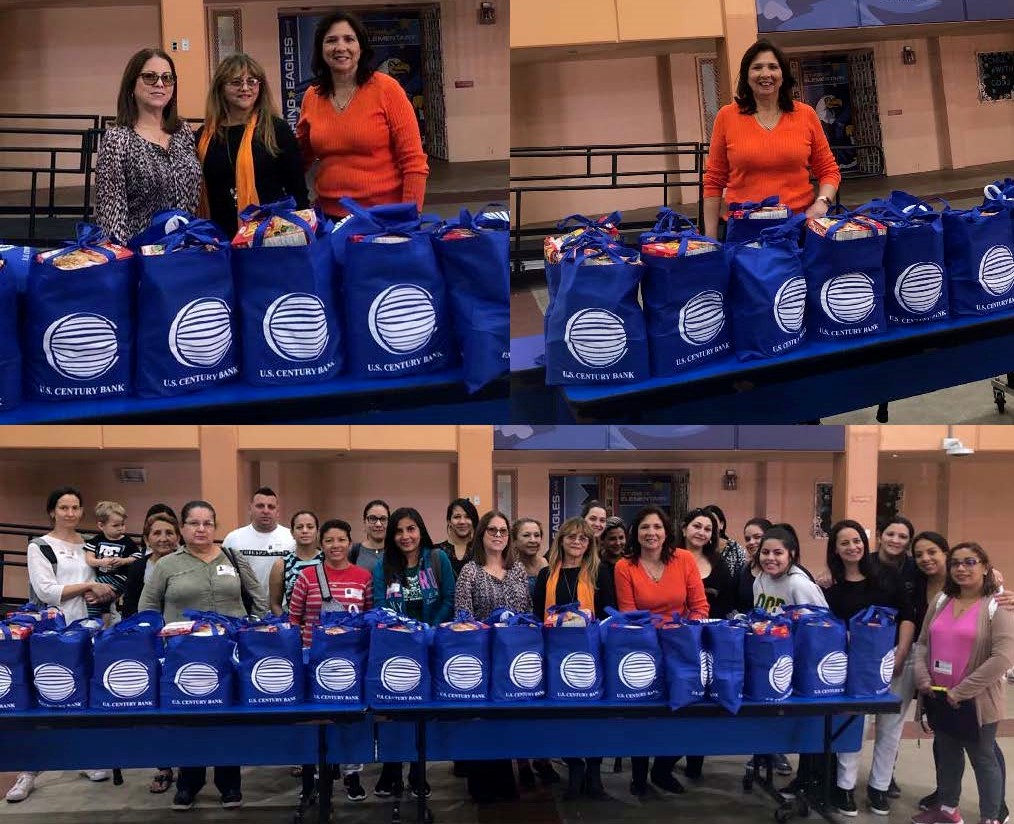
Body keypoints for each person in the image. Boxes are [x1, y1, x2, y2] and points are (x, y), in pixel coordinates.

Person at [139, 500, 267, 810]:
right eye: (194, 523)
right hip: (184, 658)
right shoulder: (166, 564)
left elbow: (258, 599)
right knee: (190, 719)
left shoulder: (232, 558)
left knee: (228, 719)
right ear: (182, 528)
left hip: (229, 655)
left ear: (215, 526)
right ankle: (188, 784)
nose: (201, 529)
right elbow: (147, 608)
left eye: (207, 523)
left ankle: (229, 785)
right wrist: (157, 645)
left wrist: (254, 632)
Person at [6, 487, 118, 803]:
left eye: (75, 507)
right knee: (45, 695)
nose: (70, 513)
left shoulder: (90, 545)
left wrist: (103, 592)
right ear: (52, 511)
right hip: (51, 635)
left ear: (82, 512)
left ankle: (83, 758)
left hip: (89, 630)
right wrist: (88, 585)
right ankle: (28, 770)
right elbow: (46, 591)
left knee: (82, 694)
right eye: (63, 507)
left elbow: (103, 584)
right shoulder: (39, 546)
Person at [911, 533, 1011, 822]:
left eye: (970, 562)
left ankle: (991, 816)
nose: (961, 568)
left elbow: (1002, 657)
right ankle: (947, 810)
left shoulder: (998, 604)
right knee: (947, 754)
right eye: (955, 563)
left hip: (976, 700)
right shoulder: (942, 599)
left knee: (983, 758)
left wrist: (963, 691)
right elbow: (923, 643)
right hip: (939, 694)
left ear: (985, 567)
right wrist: (922, 678)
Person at [821, 519, 916, 818]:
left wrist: (900, 654)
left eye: (857, 540)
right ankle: (845, 787)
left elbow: (907, 616)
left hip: (892, 663)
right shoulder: (831, 587)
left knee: (890, 729)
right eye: (845, 543)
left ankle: (879, 787)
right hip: (854, 668)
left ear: (865, 542)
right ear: (835, 549)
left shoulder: (887, 577)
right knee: (853, 727)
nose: (853, 547)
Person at [702, 39, 840, 239]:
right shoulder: (727, 116)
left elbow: (829, 170)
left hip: (798, 228)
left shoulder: (806, 114)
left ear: (783, 75)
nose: (765, 74)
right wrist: (711, 239)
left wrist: (822, 203)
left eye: (773, 67)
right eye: (757, 67)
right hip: (744, 231)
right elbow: (714, 180)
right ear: (746, 75)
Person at [296, 10, 429, 218]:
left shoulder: (387, 89)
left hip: (383, 219)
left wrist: (408, 217)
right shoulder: (312, 97)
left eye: (349, 39)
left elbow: (414, 163)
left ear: (361, 47)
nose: (341, 47)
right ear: (321, 49)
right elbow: (299, 158)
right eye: (331, 40)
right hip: (329, 218)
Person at [614, 505, 708, 797]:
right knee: (642, 715)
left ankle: (663, 769)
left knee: (684, 712)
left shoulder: (684, 559)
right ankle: (639, 777)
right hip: (642, 648)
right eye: (644, 527)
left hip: (681, 646)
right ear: (635, 533)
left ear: (667, 532)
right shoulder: (624, 566)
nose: (651, 533)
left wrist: (682, 634)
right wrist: (656, 637)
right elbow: (629, 614)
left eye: (657, 527)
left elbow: (700, 607)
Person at [372, 507, 455, 799]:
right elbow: (380, 603)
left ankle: (419, 772)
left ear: (420, 530)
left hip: (430, 646)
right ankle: (391, 770)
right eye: (399, 531)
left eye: (411, 529)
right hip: (396, 647)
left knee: (422, 711)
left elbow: (449, 599)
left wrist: (428, 630)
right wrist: (404, 632)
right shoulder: (384, 564)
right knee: (394, 710)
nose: (405, 536)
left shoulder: (437, 558)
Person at [288, 518, 372, 806]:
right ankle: (310, 778)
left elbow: (369, 617)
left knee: (349, 721)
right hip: (313, 659)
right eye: (329, 540)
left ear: (350, 542)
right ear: (320, 544)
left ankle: (352, 774)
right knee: (313, 720)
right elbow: (293, 619)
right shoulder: (307, 577)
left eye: (341, 539)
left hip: (351, 661)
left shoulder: (363, 576)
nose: (335, 545)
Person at [533, 517, 616, 800]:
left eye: (583, 538)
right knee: (563, 715)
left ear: (590, 543)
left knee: (594, 716)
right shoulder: (547, 575)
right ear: (561, 540)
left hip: (592, 656)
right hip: (555, 655)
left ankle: (594, 772)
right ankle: (575, 765)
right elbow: (536, 614)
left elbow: (609, 613)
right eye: (571, 537)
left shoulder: (600, 572)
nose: (577, 542)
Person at [453, 510, 530, 804]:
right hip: (480, 657)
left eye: (503, 531)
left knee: (507, 721)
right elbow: (461, 617)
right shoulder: (469, 571)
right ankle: (481, 782)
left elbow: (527, 612)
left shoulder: (518, 570)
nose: (498, 535)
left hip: (513, 657)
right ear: (481, 534)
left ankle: (506, 779)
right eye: (492, 530)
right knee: (482, 721)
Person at [197, 53, 309, 239]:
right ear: (220, 88)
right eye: (236, 82)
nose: (245, 88)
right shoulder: (204, 136)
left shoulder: (276, 130)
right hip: (215, 238)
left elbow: (297, 190)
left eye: (252, 81)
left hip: (266, 237)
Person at [95, 48, 200, 244]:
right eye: (150, 77)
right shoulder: (118, 139)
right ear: (131, 85)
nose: (160, 83)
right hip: (141, 255)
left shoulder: (182, 132)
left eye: (167, 78)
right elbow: (111, 216)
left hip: (184, 251)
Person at [119, 511, 182, 795]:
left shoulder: (185, 564)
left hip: (183, 645)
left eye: (169, 532)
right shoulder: (137, 568)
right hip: (149, 646)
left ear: (178, 537)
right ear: (146, 538)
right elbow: (130, 609)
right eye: (156, 533)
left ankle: (192, 766)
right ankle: (164, 767)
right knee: (159, 711)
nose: (163, 538)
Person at [674, 507, 736, 780]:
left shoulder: (719, 564)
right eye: (697, 526)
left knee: (702, 705)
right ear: (685, 528)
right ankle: (664, 762)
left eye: (708, 529)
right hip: (677, 639)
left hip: (711, 641)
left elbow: (727, 603)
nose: (701, 532)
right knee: (680, 700)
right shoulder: (670, 558)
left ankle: (695, 764)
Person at [508, 517, 559, 790]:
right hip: (517, 643)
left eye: (537, 534)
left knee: (542, 707)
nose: (533, 540)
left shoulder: (549, 567)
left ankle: (543, 758)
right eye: (526, 535)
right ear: (515, 540)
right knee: (520, 704)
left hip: (545, 641)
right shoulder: (510, 569)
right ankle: (522, 762)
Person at [222, 487, 295, 594]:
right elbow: (224, 576)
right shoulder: (233, 539)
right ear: (250, 509)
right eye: (260, 506)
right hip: (246, 608)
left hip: (283, 608)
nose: (266, 511)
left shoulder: (291, 538)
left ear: (277, 511)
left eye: (271, 507)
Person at [83, 500, 142, 622]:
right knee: (102, 600)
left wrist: (123, 560)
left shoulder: (127, 541)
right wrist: (101, 562)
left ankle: (94, 620)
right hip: (103, 576)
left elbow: (137, 557)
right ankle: (102, 622)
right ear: (101, 526)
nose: (121, 528)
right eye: (115, 525)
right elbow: (89, 558)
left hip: (120, 578)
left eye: (122, 524)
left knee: (92, 589)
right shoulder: (97, 540)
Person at [752, 525, 828, 614]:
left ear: (791, 554)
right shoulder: (760, 579)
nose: (770, 557)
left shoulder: (800, 584)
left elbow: (821, 621)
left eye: (778, 553)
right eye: (765, 552)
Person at [268, 510, 323, 616]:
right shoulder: (281, 564)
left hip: (325, 627)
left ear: (317, 532)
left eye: (310, 527)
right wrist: (289, 625)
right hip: (294, 626)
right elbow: (275, 604)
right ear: (292, 533)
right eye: (299, 527)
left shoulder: (326, 560)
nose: (305, 531)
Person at [435, 497, 480, 578]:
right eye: (457, 517)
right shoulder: (435, 552)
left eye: (467, 517)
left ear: (473, 521)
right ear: (449, 522)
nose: (462, 521)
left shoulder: (482, 551)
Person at [735, 517, 772, 614]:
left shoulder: (787, 574)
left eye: (757, 537)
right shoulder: (742, 572)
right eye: (747, 539)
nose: (751, 542)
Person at [703, 504, 747, 577]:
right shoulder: (699, 547)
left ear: (721, 524)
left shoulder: (735, 549)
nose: (710, 525)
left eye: (713, 521)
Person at [350, 499, 389, 574]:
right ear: (364, 523)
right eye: (372, 518)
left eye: (383, 519)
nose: (378, 524)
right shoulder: (353, 551)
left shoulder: (397, 551)